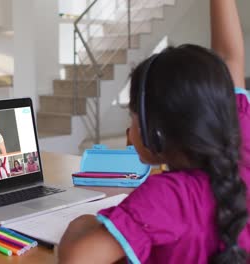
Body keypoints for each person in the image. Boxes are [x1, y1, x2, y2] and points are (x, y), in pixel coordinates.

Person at [58, 0, 250, 263]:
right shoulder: (241, 135)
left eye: (132, 114)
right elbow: (229, 57)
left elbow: (77, 259)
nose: (129, 128)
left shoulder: (166, 197)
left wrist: (83, 222)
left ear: (155, 131)